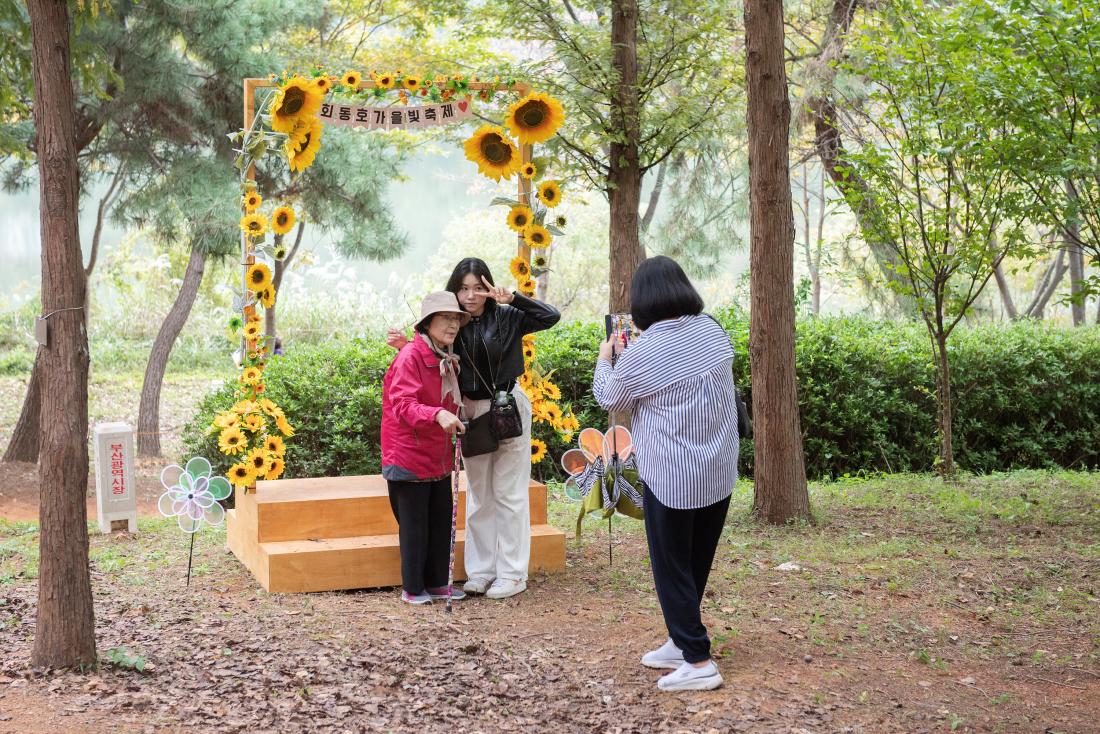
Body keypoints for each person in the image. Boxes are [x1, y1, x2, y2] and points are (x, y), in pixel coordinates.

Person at [592, 255, 739, 692]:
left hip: (673, 476)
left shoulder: (644, 352)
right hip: (717, 469)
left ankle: (697, 660)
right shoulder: (712, 329)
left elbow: (609, 397)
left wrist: (607, 358)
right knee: (695, 562)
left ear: (642, 303)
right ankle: (681, 639)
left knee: (672, 565)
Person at [388, 257, 560, 599]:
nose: (470, 295)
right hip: (469, 410)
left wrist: (513, 298)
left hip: (507, 405)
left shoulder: (508, 317)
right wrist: (406, 345)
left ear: (489, 287)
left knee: (510, 493)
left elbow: (551, 316)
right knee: (480, 494)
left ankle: (511, 573)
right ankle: (481, 570)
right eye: (463, 288)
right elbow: (429, 349)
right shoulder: (455, 322)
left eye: (478, 288)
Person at [381, 291, 470, 605]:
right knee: (415, 525)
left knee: (440, 519)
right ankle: (414, 588)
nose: (453, 324)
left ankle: (436, 583)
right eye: (445, 318)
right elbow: (403, 405)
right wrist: (437, 414)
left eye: (456, 318)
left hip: (437, 455)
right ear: (428, 323)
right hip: (408, 455)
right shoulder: (411, 357)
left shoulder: (444, 356)